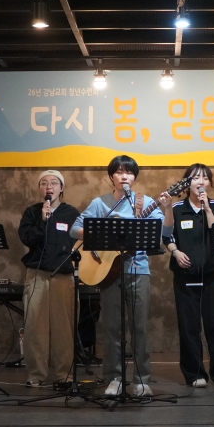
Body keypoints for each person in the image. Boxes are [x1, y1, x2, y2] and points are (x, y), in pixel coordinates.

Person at [70, 155, 171, 397]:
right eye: (119, 172)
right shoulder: (100, 203)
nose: (124, 176)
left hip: (138, 270)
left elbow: (164, 231)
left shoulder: (145, 202)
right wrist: (101, 235)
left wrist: (168, 208)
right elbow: (74, 229)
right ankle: (114, 379)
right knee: (112, 328)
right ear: (111, 177)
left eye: (129, 172)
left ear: (135, 177)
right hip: (107, 271)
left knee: (139, 328)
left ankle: (141, 380)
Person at [161, 163, 214, 388]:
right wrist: (175, 252)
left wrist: (207, 209)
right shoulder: (177, 208)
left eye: (205, 178)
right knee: (189, 327)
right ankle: (194, 374)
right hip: (185, 277)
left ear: (210, 183)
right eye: (195, 178)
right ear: (186, 183)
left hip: (213, 276)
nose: (200, 182)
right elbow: (166, 235)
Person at [18, 170, 80, 387]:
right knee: (35, 327)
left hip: (63, 276)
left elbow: (80, 241)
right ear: (39, 188)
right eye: (44, 183)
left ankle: (64, 375)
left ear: (61, 188)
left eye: (54, 183)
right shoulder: (32, 212)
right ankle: (36, 375)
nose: (48, 187)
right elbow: (27, 238)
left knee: (64, 328)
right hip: (37, 275)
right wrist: (42, 221)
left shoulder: (71, 213)